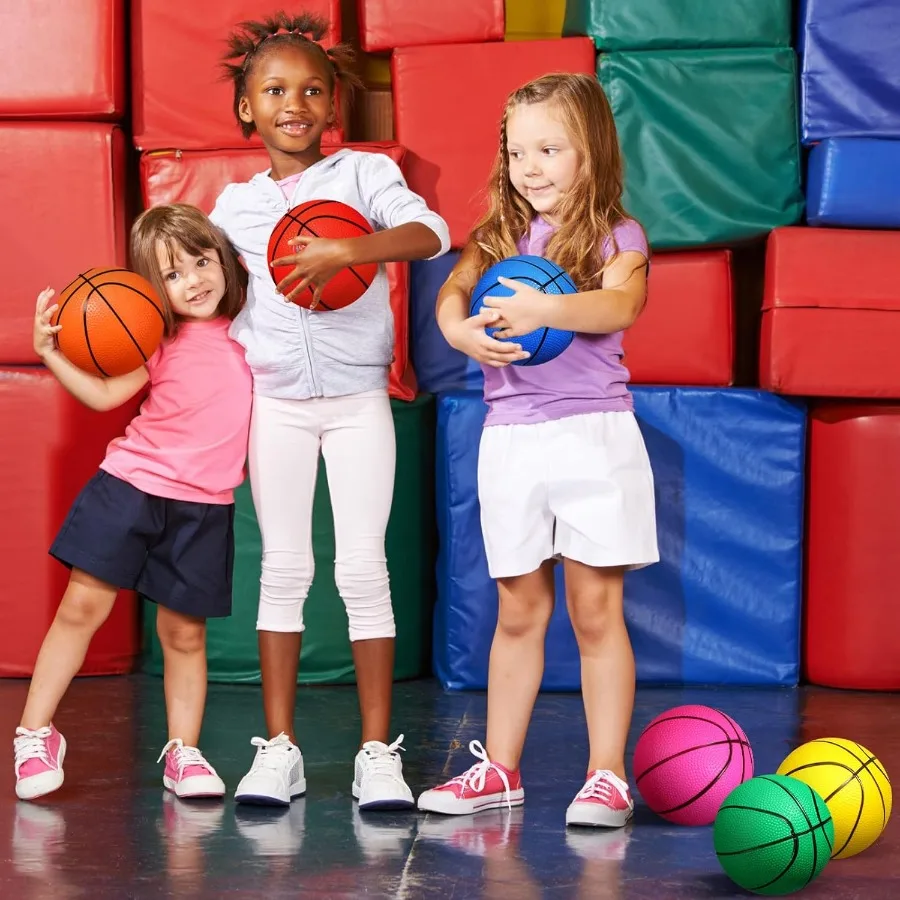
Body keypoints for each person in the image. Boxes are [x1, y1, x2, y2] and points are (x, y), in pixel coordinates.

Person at [212, 11, 450, 809]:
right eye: (275, 89)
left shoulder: (361, 178)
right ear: (247, 107)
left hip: (356, 403)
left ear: (333, 103)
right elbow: (198, 290)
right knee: (282, 572)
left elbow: (431, 233)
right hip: (275, 406)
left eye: (313, 89)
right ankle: (277, 752)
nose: (295, 103)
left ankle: (376, 754)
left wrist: (351, 249)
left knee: (361, 569)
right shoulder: (234, 208)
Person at [417, 73, 659, 828]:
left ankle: (607, 775)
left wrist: (542, 308)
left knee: (596, 611)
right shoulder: (496, 236)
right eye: (518, 150)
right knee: (518, 611)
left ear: (590, 151)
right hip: (511, 439)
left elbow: (619, 304)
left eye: (550, 148)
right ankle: (500, 770)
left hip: (593, 437)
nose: (531, 166)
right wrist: (457, 330)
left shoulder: (619, 236)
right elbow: (450, 295)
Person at [13, 204, 252, 801]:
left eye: (202, 262)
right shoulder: (155, 337)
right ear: (153, 289)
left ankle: (183, 753)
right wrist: (50, 353)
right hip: (131, 486)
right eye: (173, 275)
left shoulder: (255, 333)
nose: (194, 280)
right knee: (80, 611)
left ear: (223, 259)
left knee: (185, 635)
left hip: (205, 505)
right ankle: (35, 733)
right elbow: (102, 397)